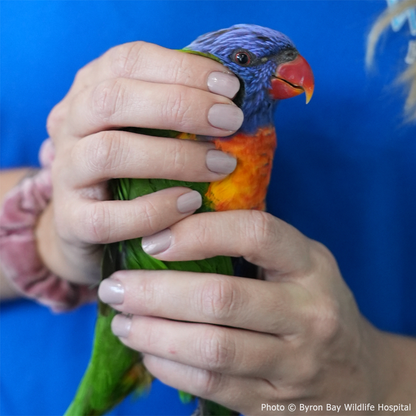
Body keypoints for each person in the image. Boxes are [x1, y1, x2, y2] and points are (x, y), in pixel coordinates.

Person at [1, 1, 415, 415]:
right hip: (35, 381)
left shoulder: (258, 141)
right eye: (243, 60)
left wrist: (386, 380)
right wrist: (47, 236)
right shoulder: (168, 131)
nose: (288, 68)